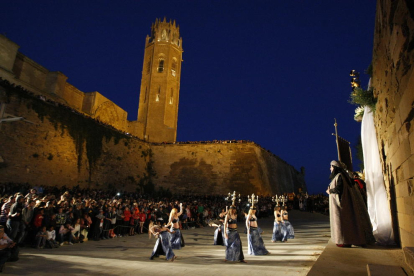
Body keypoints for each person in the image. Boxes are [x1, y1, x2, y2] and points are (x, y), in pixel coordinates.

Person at [326, 160, 375, 247]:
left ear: (335, 168)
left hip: (342, 203)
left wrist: (330, 191)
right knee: (349, 222)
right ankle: (351, 239)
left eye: (331, 167)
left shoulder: (340, 176)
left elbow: (339, 189)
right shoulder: (344, 176)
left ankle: (345, 240)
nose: (330, 168)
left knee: (343, 222)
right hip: (345, 203)